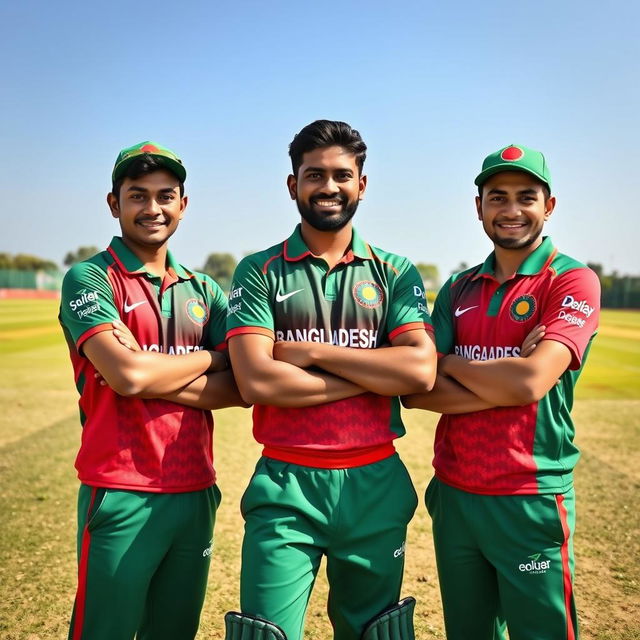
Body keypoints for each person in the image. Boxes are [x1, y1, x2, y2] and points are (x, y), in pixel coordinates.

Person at [223, 120, 436, 640]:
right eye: (313, 174)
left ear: (362, 183)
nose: (328, 186)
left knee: (375, 632)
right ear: (292, 184)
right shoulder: (259, 270)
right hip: (286, 483)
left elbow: (419, 370)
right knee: (264, 633)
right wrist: (373, 373)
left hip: (375, 482)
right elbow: (257, 382)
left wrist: (314, 353)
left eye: (342, 174)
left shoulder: (394, 271)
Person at [403, 144, 601, 640]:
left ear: (548, 205)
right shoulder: (457, 288)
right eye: (497, 197)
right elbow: (417, 388)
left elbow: (533, 382)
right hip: (455, 493)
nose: (511, 210)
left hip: (529, 495)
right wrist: (504, 372)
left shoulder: (572, 280)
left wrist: (459, 367)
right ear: (479, 207)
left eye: (526, 197)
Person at [59, 141, 246, 640]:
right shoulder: (91, 278)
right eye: (137, 195)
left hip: (194, 488)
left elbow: (244, 387)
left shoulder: (204, 289)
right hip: (119, 488)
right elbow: (127, 377)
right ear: (114, 203)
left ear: (183, 205)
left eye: (166, 196)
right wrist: (210, 358)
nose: (153, 208)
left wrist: (145, 371)